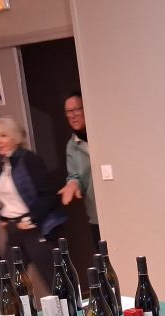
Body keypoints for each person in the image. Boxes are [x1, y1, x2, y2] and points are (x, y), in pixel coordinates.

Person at [0, 116, 66, 290]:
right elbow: (3, 195)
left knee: (55, 283)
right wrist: (2, 217)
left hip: (36, 230)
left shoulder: (29, 160)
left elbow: (49, 196)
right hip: (14, 232)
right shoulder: (3, 163)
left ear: (15, 137)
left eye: (3, 135)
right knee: (9, 284)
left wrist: (31, 219)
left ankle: (69, 308)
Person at [57, 90, 99, 244]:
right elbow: (74, 176)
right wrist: (73, 184)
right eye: (68, 111)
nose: (72, 115)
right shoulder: (72, 146)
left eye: (76, 110)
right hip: (96, 216)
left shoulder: (103, 134)